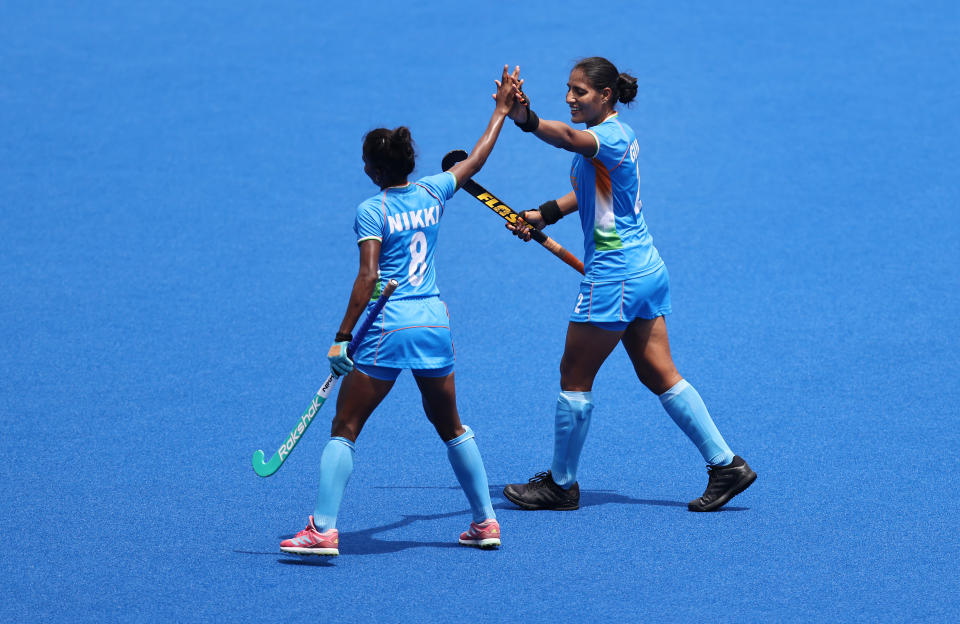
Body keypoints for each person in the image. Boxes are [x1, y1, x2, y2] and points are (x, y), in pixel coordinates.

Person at [280, 66, 519, 556]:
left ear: (372, 170)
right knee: (451, 425)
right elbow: (476, 158)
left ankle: (322, 530)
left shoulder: (373, 210)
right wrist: (500, 110)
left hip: (388, 326)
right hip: (434, 323)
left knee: (345, 427)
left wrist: (342, 335)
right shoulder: (434, 191)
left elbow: (368, 278)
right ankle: (485, 522)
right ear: (412, 162)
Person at [501, 57, 756, 512]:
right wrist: (544, 213)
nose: (570, 98)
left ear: (606, 96)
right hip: (644, 271)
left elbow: (564, 137)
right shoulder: (616, 140)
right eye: (568, 89)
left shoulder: (606, 137)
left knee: (574, 376)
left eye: (579, 92)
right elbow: (591, 192)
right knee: (658, 371)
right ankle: (726, 465)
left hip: (615, 276)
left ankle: (560, 485)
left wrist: (524, 118)